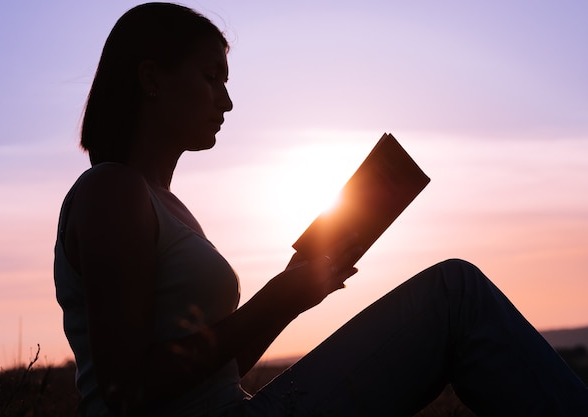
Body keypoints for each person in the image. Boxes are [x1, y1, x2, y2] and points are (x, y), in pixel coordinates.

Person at [53, 3, 588, 416]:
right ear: (151, 80)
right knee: (457, 295)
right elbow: (126, 391)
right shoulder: (112, 191)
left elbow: (216, 370)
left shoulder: (161, 204)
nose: (226, 101)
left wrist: (294, 295)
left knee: (457, 295)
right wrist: (273, 299)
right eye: (211, 77)